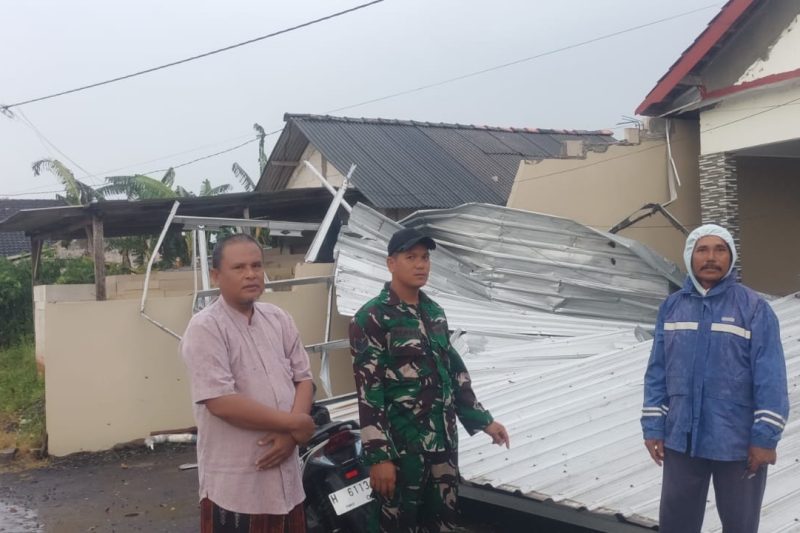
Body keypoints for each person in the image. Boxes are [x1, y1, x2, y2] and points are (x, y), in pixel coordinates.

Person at [350, 227, 510, 533]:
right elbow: (369, 392)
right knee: (395, 525)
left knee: (444, 524)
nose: (421, 264)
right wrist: (379, 457)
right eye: (411, 257)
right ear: (391, 263)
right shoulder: (371, 317)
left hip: (443, 447)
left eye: (424, 257)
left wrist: (483, 420)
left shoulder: (434, 313)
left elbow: (453, 372)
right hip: (402, 450)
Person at [641, 224, 789, 533]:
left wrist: (764, 439)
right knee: (676, 522)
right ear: (690, 256)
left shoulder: (754, 309)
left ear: (731, 257)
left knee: (740, 524)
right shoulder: (672, 307)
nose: (711, 257)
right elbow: (657, 371)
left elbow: (771, 377)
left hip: (737, 443)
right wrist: (654, 427)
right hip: (682, 439)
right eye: (703, 250)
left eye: (720, 249)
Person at [181, 233, 315, 533]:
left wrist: (292, 435)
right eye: (239, 267)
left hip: (287, 478)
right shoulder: (206, 327)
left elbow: (303, 379)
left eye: (256, 265)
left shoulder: (278, 318)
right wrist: (296, 425)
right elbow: (220, 401)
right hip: (238, 484)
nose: (251, 274)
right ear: (216, 275)